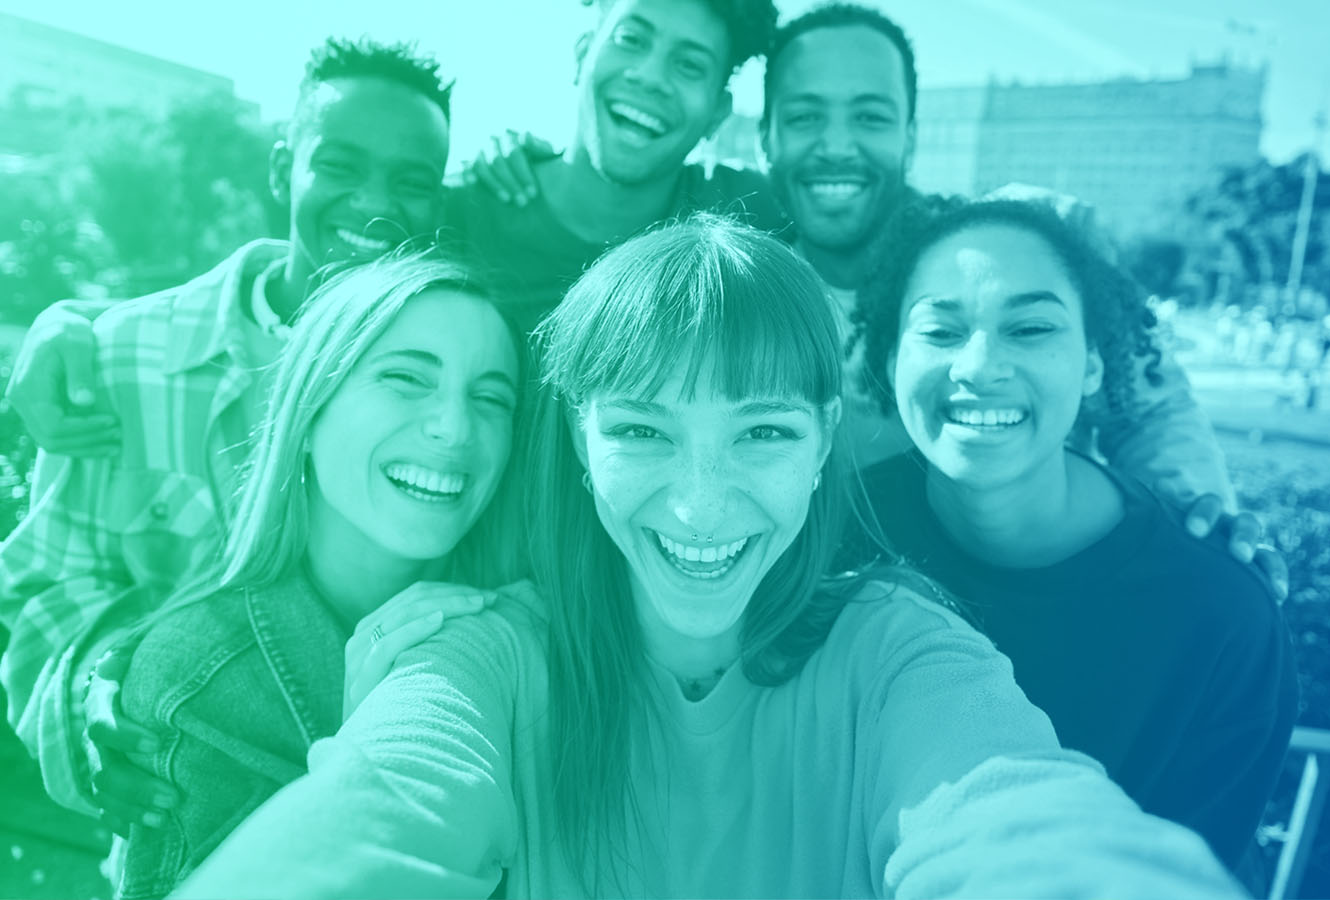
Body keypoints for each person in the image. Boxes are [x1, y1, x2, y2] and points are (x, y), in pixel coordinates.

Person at [172, 217, 1242, 899]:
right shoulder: (483, 663)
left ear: (825, 440)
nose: (697, 501)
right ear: (577, 441)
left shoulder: (903, 655)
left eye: (762, 433)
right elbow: (375, 813)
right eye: (639, 431)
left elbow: (1023, 827)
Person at [459, 3, 1289, 600]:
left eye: (871, 116)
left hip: (1009, 627)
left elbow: (1148, 401)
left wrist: (1199, 510)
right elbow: (608, 191)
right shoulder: (729, 255)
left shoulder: (984, 258)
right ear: (764, 133)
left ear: (912, 135)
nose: (836, 146)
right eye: (805, 116)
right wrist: (524, 161)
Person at [0, 37, 454, 823]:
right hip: (172, 825)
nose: (375, 203)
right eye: (339, 167)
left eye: (411, 181)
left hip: (378, 823)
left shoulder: (448, 399)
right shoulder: (121, 358)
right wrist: (83, 697)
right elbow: (45, 587)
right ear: (283, 169)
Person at [853, 197, 1297, 867]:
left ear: (1094, 363)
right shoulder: (830, 537)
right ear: (890, 360)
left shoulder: (1223, 622)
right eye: (941, 331)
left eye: (1030, 328)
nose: (980, 365)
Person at [104, 251, 527, 899]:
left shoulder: (522, 629)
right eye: (407, 378)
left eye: (491, 397)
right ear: (308, 411)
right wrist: (362, 755)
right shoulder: (198, 681)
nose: (454, 427)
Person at [443, 0, 787, 335]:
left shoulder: (750, 217)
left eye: (690, 65)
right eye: (630, 39)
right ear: (582, 53)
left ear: (717, 113)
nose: (650, 76)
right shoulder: (457, 217)